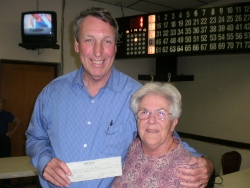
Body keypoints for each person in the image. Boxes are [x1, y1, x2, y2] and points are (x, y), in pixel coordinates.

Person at [25, 7, 214, 188]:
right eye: (89, 40)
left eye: (106, 41)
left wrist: (205, 163)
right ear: (76, 45)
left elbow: (164, 136)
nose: (98, 52)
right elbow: (35, 137)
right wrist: (44, 161)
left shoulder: (137, 96)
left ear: (115, 48)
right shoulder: (51, 93)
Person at [112, 82, 201, 187]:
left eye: (161, 113)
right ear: (137, 119)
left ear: (173, 123)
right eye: (144, 112)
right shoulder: (134, 147)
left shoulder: (187, 170)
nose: (151, 120)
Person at [0, 97, 21, 187]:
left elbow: (18, 121)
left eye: (0, 102)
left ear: (3, 104)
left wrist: (11, 132)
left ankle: (6, 184)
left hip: (4, 140)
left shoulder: (6, 114)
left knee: (6, 162)